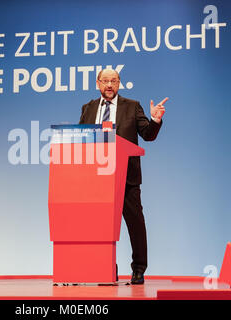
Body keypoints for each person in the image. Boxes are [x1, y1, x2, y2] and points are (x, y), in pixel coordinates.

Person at [79, 69, 168, 284]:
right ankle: (106, 267)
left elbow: (147, 135)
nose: (109, 85)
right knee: (100, 226)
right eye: (105, 81)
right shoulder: (88, 108)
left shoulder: (132, 106)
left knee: (135, 224)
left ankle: (138, 269)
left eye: (114, 81)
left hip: (126, 177)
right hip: (98, 177)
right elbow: (81, 140)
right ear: (98, 84)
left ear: (119, 84)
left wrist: (155, 120)